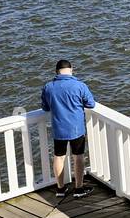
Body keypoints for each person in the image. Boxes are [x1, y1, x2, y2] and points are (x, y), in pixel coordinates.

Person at [40, 59, 97, 197]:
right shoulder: (79, 85)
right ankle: (78, 189)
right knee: (78, 156)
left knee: (59, 157)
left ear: (56, 71)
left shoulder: (48, 87)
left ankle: (60, 189)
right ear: (71, 70)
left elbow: (45, 107)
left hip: (58, 128)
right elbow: (91, 104)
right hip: (76, 128)